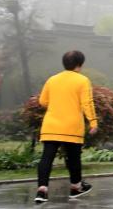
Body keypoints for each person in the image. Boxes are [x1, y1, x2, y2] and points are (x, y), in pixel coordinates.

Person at [33, 49, 98, 203]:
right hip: (72, 126)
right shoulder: (82, 80)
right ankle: (75, 187)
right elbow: (87, 103)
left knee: (47, 157)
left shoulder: (52, 79)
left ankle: (42, 190)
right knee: (74, 158)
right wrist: (93, 122)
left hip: (51, 125)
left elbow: (43, 101)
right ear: (80, 64)